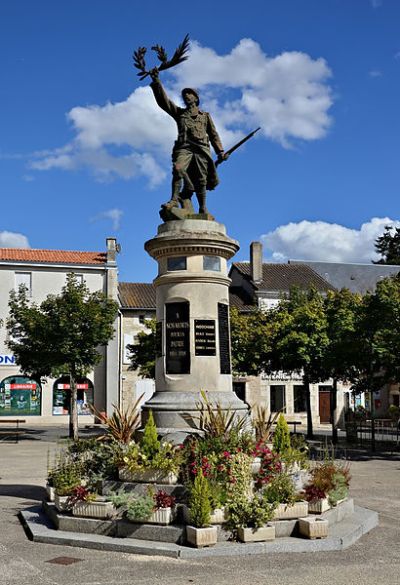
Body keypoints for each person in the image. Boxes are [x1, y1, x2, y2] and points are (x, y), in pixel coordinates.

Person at [149, 68, 227, 215]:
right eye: (184, 94)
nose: (186, 96)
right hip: (184, 148)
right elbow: (164, 102)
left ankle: (203, 207)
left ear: (196, 98)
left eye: (189, 93)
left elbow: (213, 134)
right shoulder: (180, 113)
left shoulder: (205, 116)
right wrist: (156, 81)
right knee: (177, 169)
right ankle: (173, 199)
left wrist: (220, 151)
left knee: (201, 180)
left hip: (201, 149)